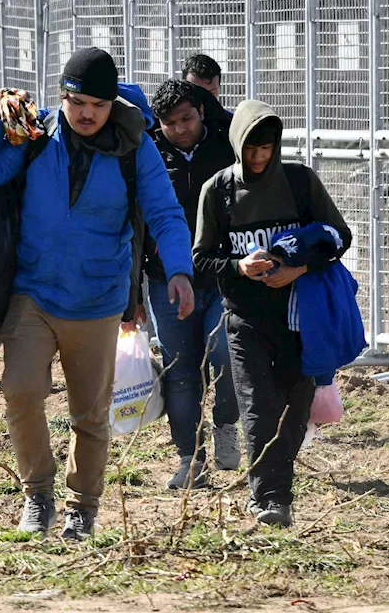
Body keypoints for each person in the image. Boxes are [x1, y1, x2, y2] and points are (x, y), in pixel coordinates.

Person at [0, 48, 195, 541]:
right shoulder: (37, 135)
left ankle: (82, 506)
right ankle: (37, 494)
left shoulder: (136, 149)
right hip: (33, 292)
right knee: (19, 390)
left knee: (89, 413)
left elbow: (167, 214)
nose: (86, 113)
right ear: (61, 96)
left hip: (98, 300)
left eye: (98, 104)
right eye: (76, 101)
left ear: (113, 104)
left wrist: (179, 270)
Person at [192, 99, 352, 528]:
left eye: (266, 148)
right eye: (250, 148)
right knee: (258, 407)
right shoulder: (219, 190)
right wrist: (239, 267)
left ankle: (275, 481)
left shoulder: (299, 182)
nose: (259, 157)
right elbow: (202, 259)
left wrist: (299, 268)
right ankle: (272, 499)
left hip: (301, 318)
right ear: (237, 145)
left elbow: (340, 237)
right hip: (245, 319)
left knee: (294, 410)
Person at [137, 80, 240, 490]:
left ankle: (227, 424)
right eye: (169, 122)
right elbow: (137, 223)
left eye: (187, 118)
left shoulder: (225, 145)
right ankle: (189, 459)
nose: (180, 128)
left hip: (222, 277)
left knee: (228, 357)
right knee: (181, 371)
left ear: (202, 112)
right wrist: (134, 293)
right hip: (166, 281)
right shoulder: (148, 154)